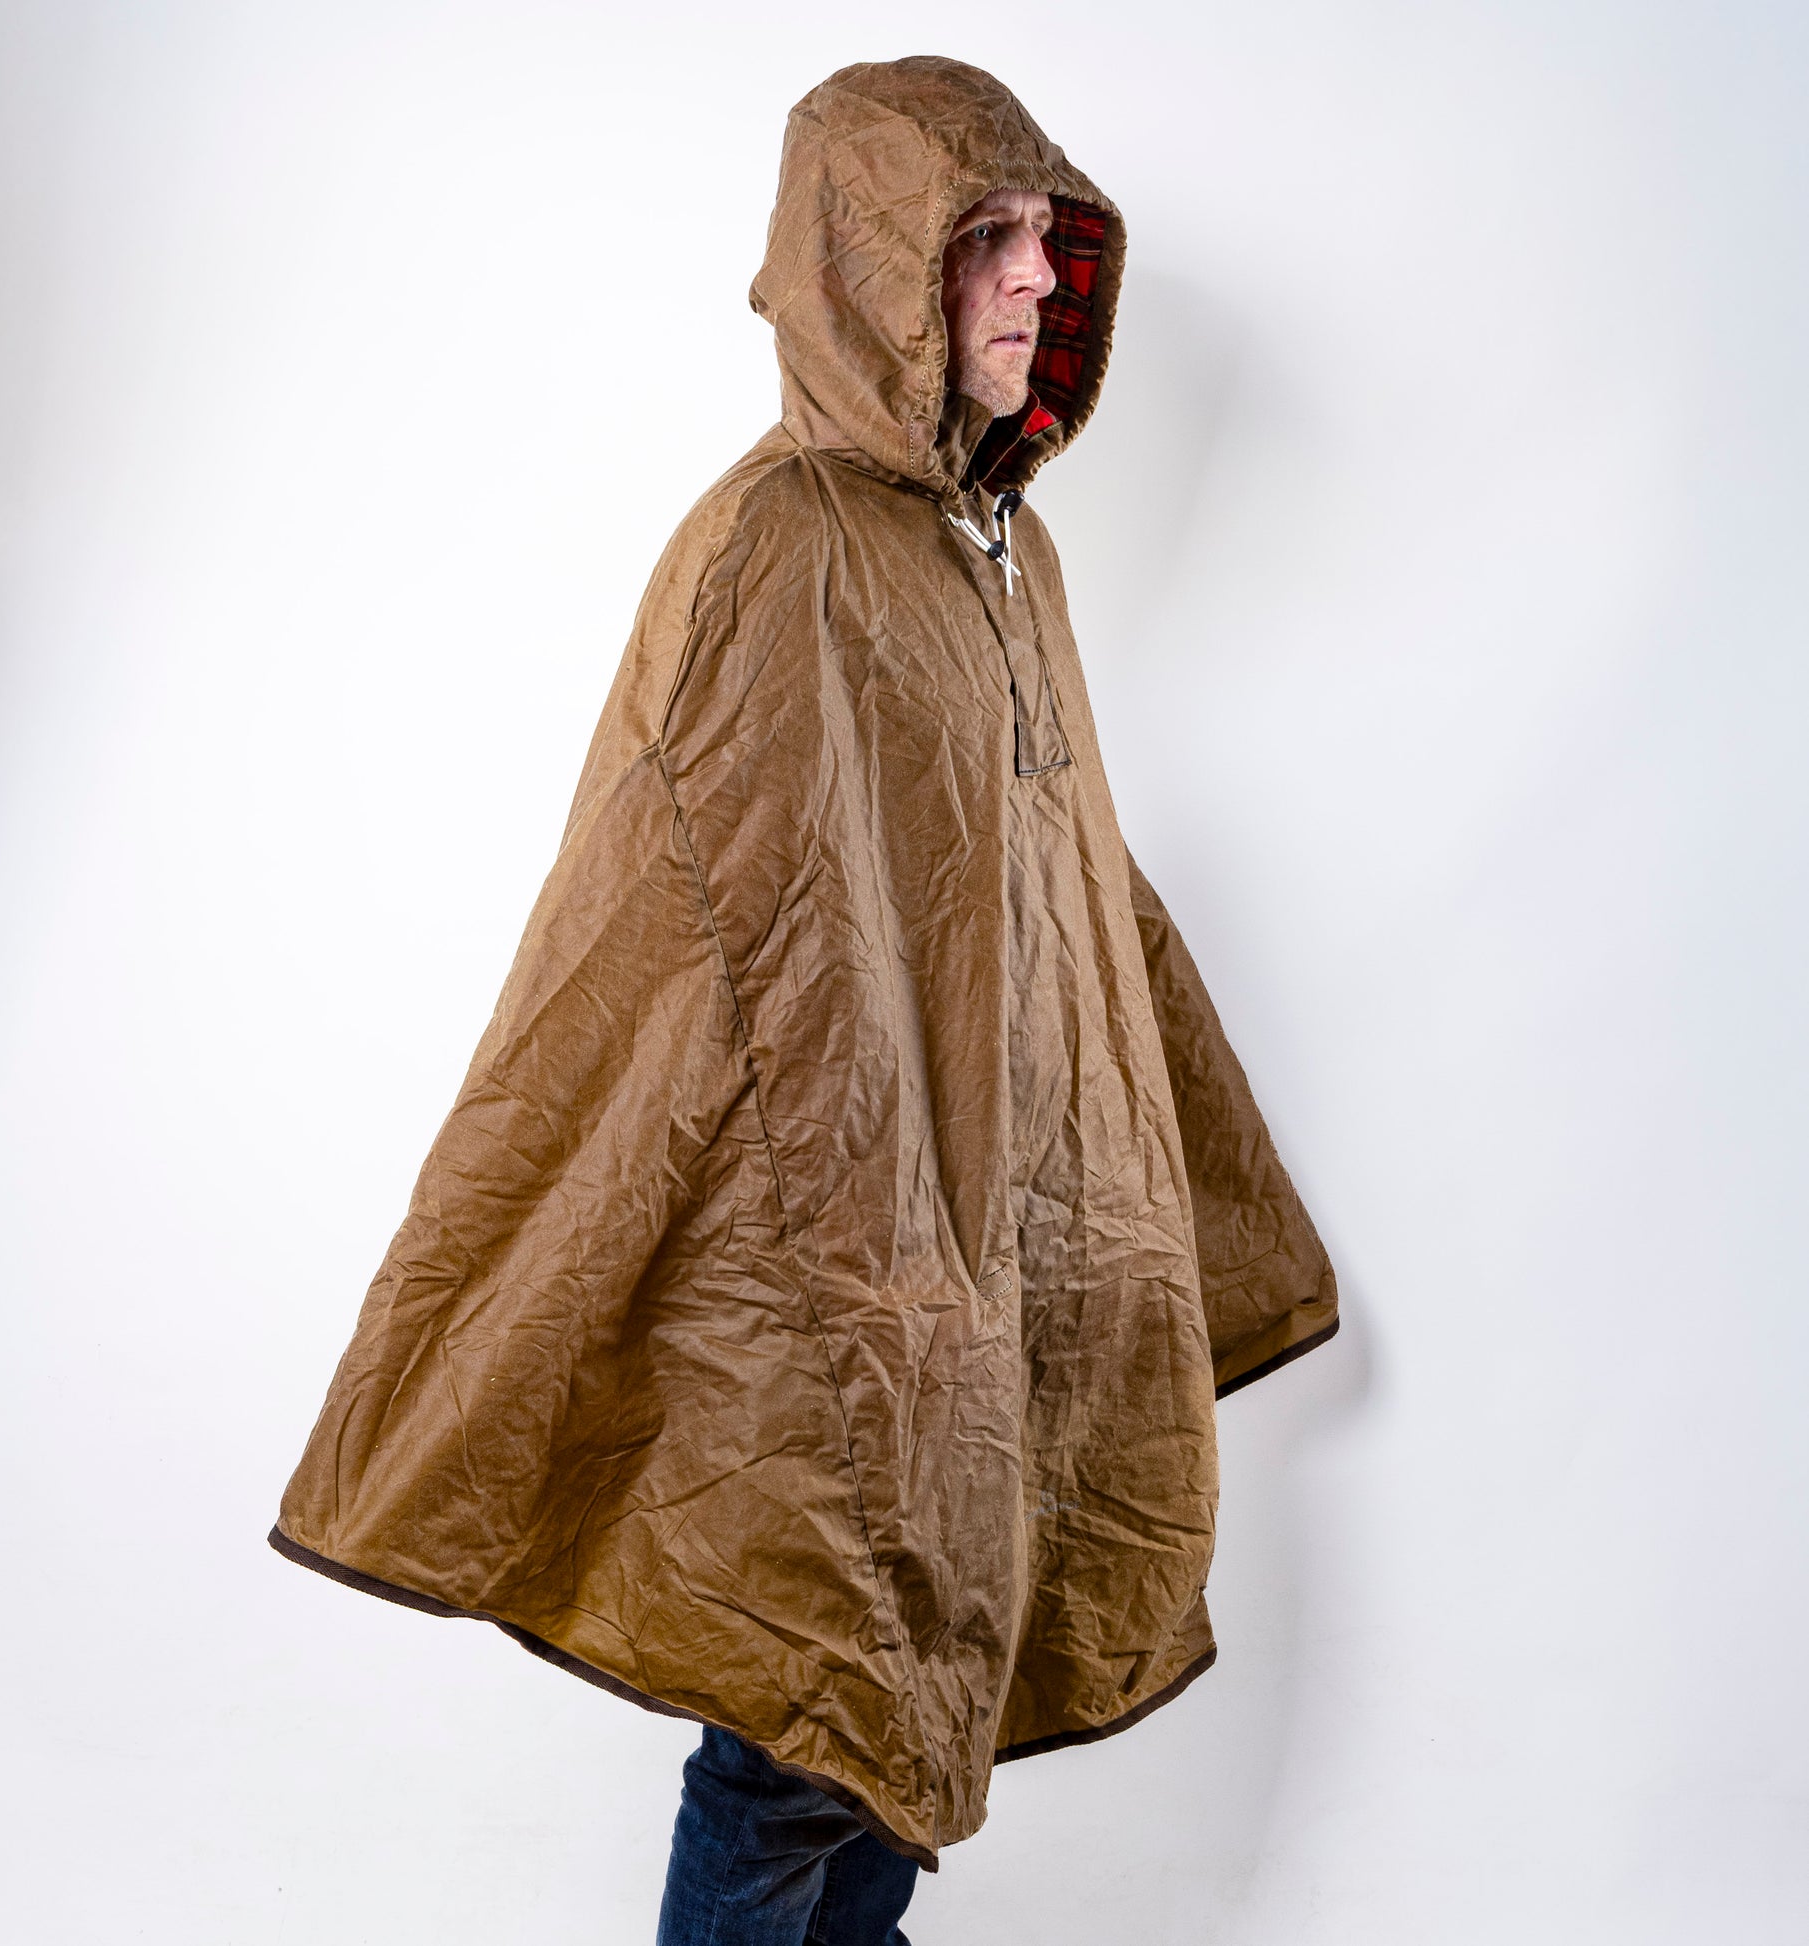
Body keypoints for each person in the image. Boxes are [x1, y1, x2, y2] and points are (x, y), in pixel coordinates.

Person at [268, 55, 1338, 1946]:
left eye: (1047, 238)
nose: (1034, 277)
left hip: (988, 1252)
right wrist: (874, 1276)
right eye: (983, 237)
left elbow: (1072, 895)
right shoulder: (775, 546)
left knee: (905, 1716)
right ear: (869, 264)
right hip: (829, 1272)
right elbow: (707, 943)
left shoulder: (1005, 558)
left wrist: (1156, 1194)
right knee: (804, 1722)